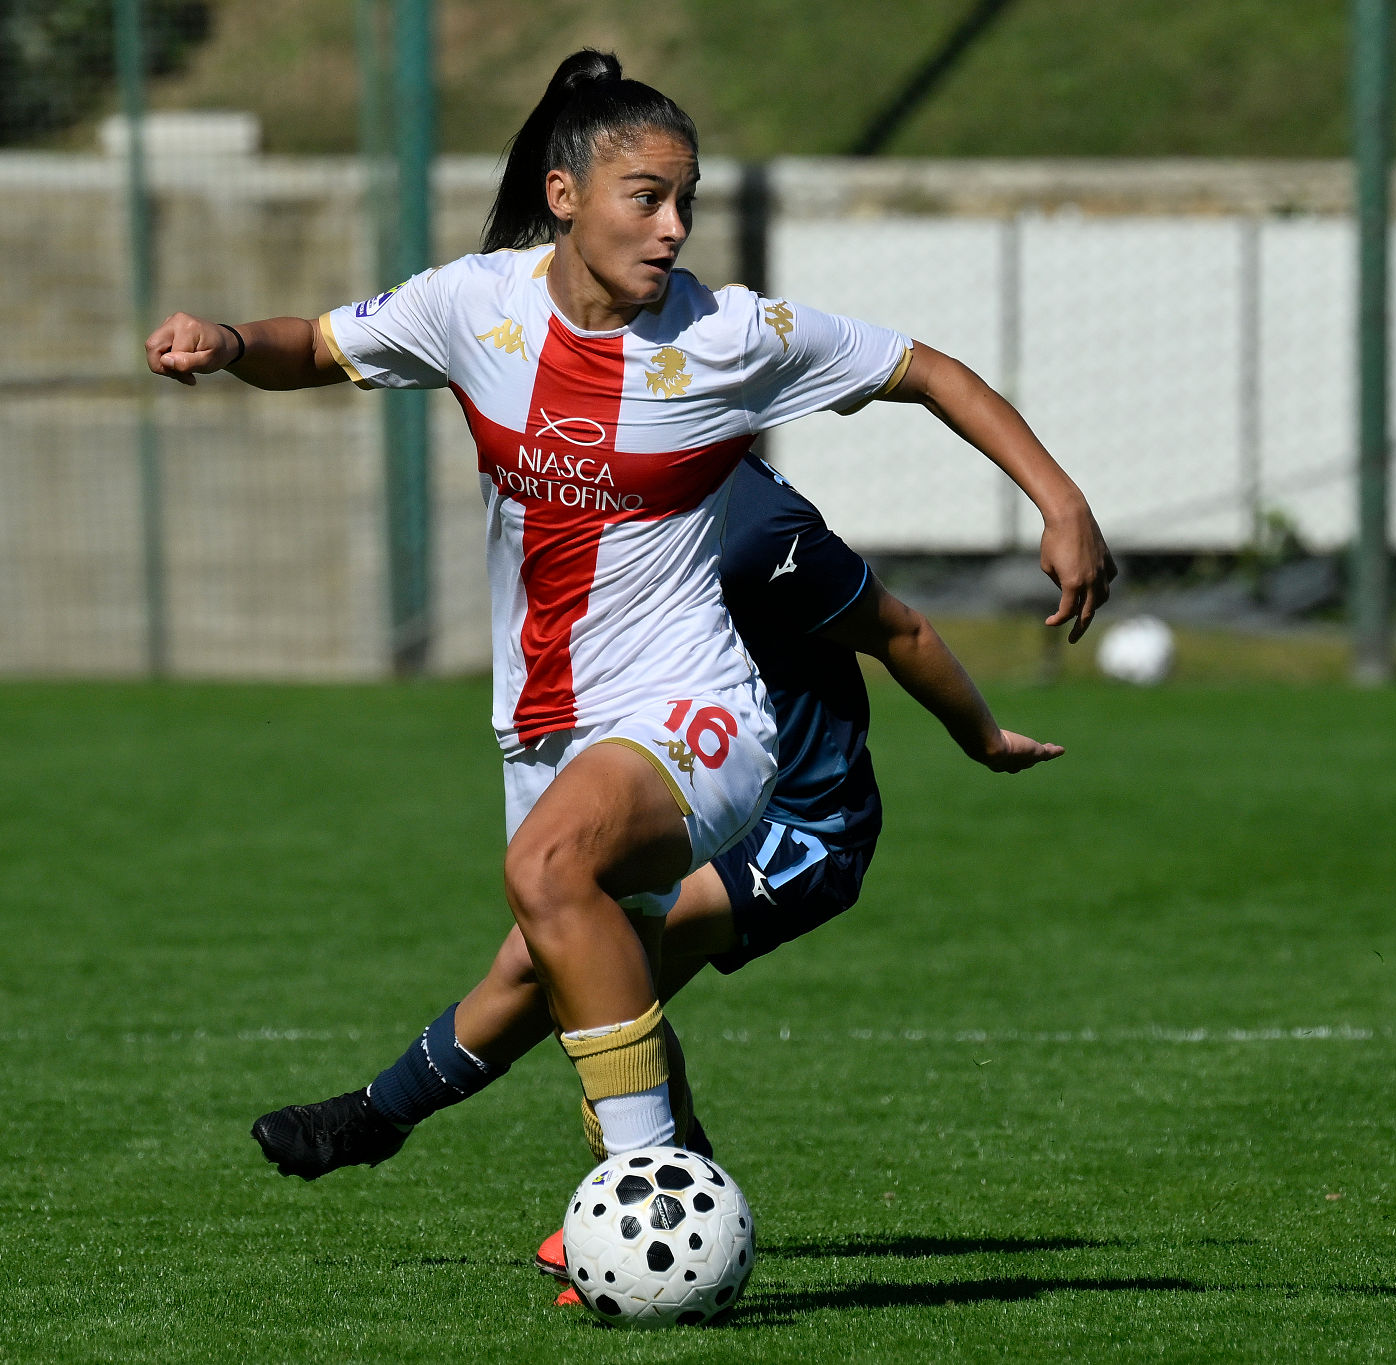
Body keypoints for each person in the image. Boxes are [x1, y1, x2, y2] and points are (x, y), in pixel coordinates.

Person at [147, 49, 1113, 1162]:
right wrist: (227, 344)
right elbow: (314, 345)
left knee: (548, 876)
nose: (671, 229)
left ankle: (644, 1182)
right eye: (646, 198)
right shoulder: (475, 306)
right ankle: (619, 1171)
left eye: (684, 204)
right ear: (564, 197)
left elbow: (927, 370)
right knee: (555, 963)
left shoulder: (728, 337)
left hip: (690, 711)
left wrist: (1060, 503)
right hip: (539, 725)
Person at [242, 451, 1068, 1192]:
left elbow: (900, 629)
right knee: (582, 952)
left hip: (802, 825)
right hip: (691, 782)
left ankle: (613, 1188)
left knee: (564, 957)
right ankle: (661, 1190)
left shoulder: (759, 528)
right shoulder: (612, 491)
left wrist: (986, 740)